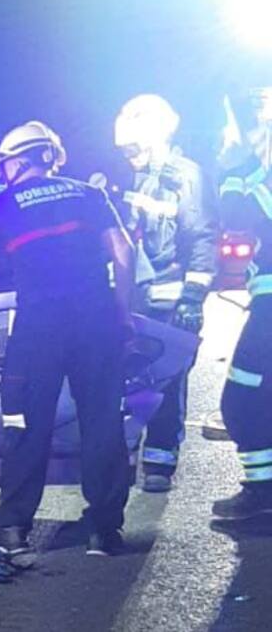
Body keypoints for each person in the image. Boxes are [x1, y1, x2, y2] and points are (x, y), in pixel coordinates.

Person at [0, 121, 136, 557]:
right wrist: (121, 313)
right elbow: (123, 251)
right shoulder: (88, 194)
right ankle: (105, 529)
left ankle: (11, 529)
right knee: (102, 422)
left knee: (24, 425)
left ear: (17, 160)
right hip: (96, 322)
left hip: (39, 327)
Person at [113, 94, 219, 492]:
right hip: (139, 299)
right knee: (130, 380)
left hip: (173, 300)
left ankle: (160, 463)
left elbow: (204, 237)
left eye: (133, 148)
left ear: (154, 137)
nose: (128, 157)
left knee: (167, 384)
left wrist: (193, 296)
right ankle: (129, 455)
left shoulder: (188, 177)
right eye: (124, 151)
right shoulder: (135, 177)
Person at [212, 85, 272, 521]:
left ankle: (263, 491)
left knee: (242, 399)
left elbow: (239, 217)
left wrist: (238, 170)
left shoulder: (256, 173)